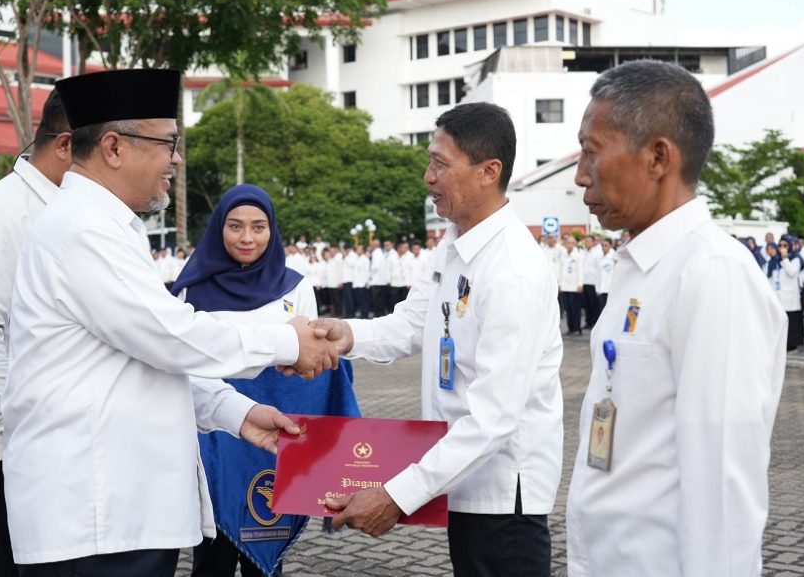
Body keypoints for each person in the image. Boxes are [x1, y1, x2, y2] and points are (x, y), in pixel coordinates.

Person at [0, 69, 336, 576]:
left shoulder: (110, 227)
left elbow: (147, 356)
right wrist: (286, 342)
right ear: (114, 147)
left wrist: (237, 414)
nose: (176, 159)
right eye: (168, 143)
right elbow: (172, 338)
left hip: (120, 511)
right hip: (92, 517)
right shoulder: (83, 231)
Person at [314, 102, 563, 577]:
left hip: (500, 496)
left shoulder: (511, 269)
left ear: (489, 171)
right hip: (459, 478)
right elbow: (413, 323)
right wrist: (346, 336)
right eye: (430, 161)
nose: (428, 177)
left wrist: (397, 494)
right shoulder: (456, 242)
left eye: (440, 164)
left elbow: (493, 419)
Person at [566, 60, 786, 576]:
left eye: (592, 152)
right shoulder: (640, 268)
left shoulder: (711, 274)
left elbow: (723, 489)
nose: (580, 175)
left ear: (658, 157)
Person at [171, 185, 360, 577]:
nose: (247, 237)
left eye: (259, 227)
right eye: (235, 226)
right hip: (214, 441)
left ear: (273, 230)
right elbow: (181, 363)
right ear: (217, 228)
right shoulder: (191, 290)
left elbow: (312, 362)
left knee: (266, 557)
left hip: (273, 437)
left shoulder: (296, 288)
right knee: (212, 557)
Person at [0, 89, 73, 577]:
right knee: (7, 564)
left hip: (60, 433)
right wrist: (14, 429)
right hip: (10, 441)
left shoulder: (71, 208)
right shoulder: (0, 212)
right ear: (66, 145)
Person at [775, 236, 804, 352]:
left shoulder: (796, 259)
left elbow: (791, 272)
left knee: (792, 322)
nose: (782, 248)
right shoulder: (777, 260)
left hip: (791, 297)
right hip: (780, 295)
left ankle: (792, 346)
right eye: (780, 246)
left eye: (785, 246)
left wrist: (785, 258)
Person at [559, 234, 584, 335]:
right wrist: (560, 284)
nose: (569, 245)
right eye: (568, 243)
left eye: (571, 243)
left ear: (574, 244)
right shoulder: (563, 255)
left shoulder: (578, 256)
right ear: (565, 244)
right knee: (568, 309)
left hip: (575, 287)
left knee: (575, 309)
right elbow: (560, 271)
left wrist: (580, 284)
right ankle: (570, 328)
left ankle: (577, 328)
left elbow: (581, 271)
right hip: (565, 286)